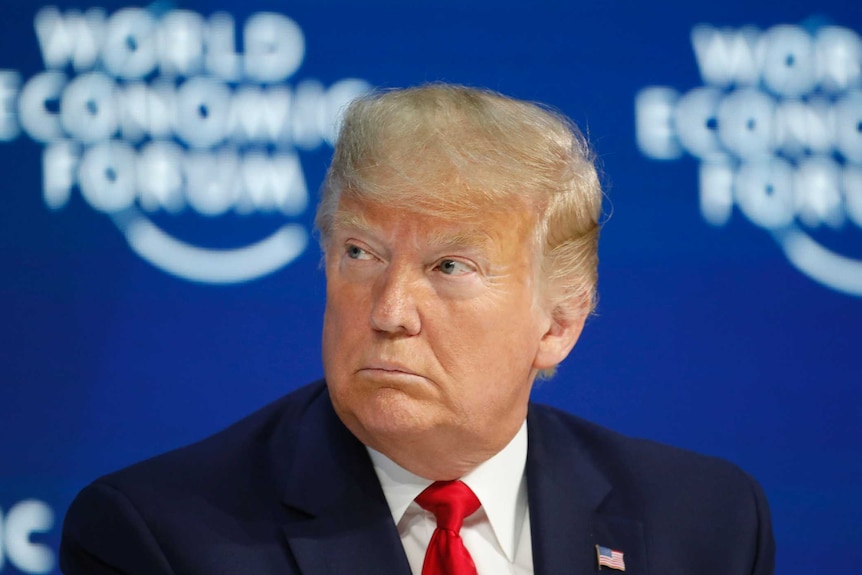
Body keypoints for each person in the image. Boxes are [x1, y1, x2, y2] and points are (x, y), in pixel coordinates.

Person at [60, 84, 775, 575]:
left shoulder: (706, 524)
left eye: (450, 265)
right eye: (361, 254)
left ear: (559, 323)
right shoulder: (157, 536)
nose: (389, 310)